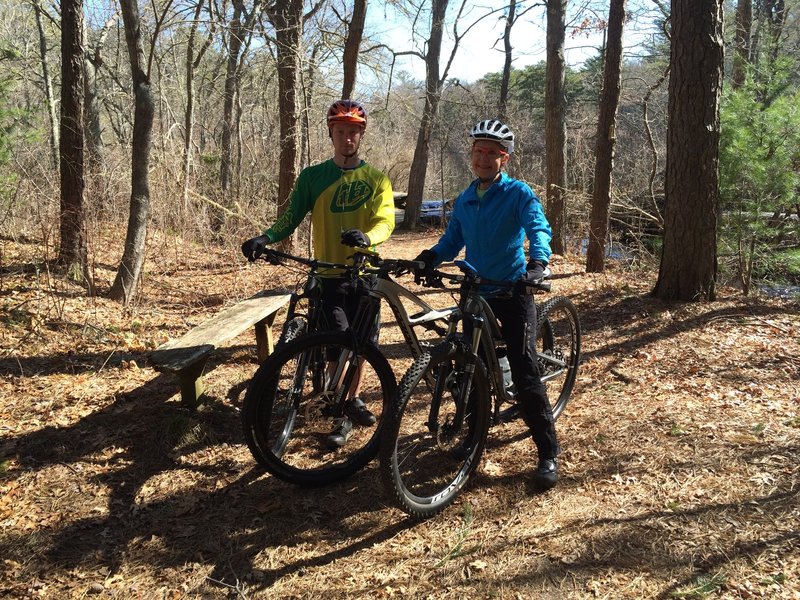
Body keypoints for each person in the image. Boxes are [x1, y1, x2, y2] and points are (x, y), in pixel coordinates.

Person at [414, 118, 560, 490]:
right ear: (471, 155)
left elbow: (538, 228)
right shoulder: (465, 198)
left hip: (512, 291)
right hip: (475, 293)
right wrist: (429, 257)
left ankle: (547, 451)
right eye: (478, 152)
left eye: (491, 154)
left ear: (504, 159)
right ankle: (473, 432)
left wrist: (538, 263)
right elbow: (451, 241)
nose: (482, 159)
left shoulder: (518, 194)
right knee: (470, 367)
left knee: (526, 373)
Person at [241, 99, 395, 448]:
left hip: (364, 274)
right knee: (334, 344)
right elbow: (292, 215)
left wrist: (367, 238)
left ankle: (348, 401)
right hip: (327, 275)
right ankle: (337, 408)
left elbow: (386, 220)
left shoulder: (376, 180)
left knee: (362, 346)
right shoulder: (313, 177)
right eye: (340, 132)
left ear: (361, 135)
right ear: (331, 134)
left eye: (353, 132)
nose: (347, 138)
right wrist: (267, 237)